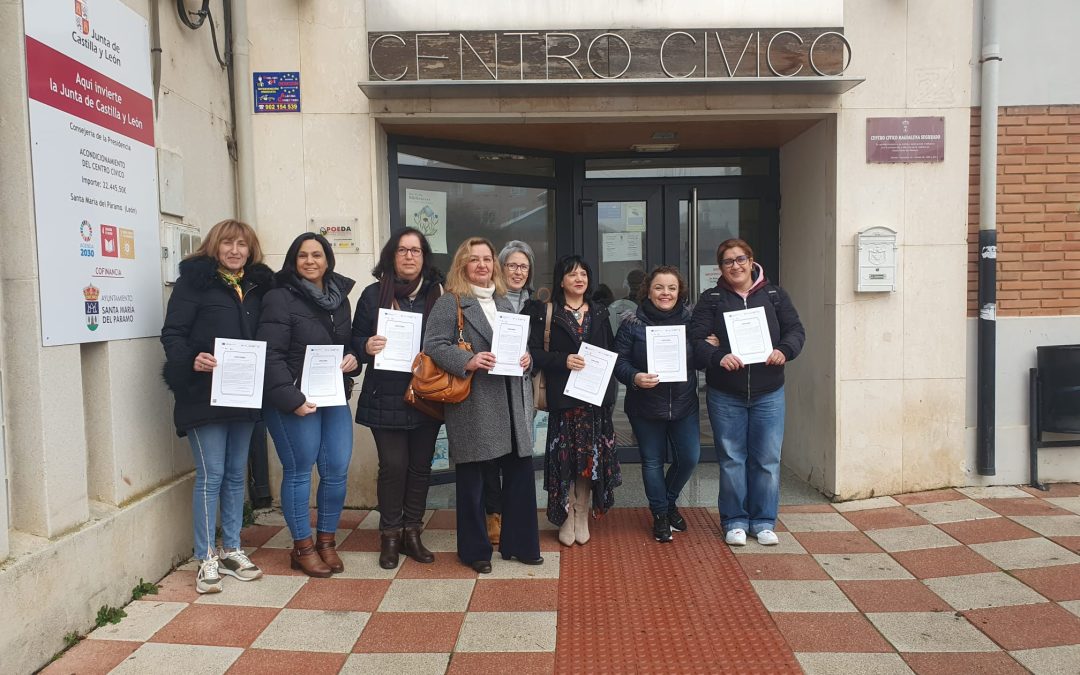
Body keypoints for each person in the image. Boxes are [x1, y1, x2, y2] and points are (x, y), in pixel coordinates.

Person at [161, 219, 273, 594]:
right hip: (202, 395)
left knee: (235, 475)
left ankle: (232, 548)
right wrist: (191, 359)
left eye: (242, 244)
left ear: (250, 250)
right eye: (227, 243)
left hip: (242, 396)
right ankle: (206, 555)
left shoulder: (258, 286)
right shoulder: (193, 283)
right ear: (214, 246)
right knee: (212, 475)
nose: (235, 250)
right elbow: (173, 333)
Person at [423, 237, 541, 573]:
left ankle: (520, 544)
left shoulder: (504, 302)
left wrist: (527, 359)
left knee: (519, 474)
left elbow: (520, 349)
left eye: (487, 259)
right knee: (473, 479)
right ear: (462, 264)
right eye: (474, 259)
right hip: (475, 403)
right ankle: (474, 551)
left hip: (512, 399)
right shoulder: (451, 302)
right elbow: (432, 346)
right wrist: (469, 360)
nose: (482, 265)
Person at [258, 233, 361, 576]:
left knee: (336, 469)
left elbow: (347, 345)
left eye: (317, 254)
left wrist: (353, 359)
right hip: (295, 400)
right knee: (300, 470)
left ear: (328, 260)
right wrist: (292, 400)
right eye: (302, 255)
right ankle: (302, 546)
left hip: (333, 396)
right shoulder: (279, 297)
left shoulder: (340, 298)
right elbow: (269, 355)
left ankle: (326, 542)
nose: (310, 261)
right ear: (293, 260)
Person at [690, 238, 804, 547]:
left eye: (740, 259)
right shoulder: (711, 299)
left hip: (769, 391)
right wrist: (717, 357)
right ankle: (735, 521)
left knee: (767, 459)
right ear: (721, 268)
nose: (735, 266)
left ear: (751, 260)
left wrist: (785, 350)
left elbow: (796, 331)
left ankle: (764, 521)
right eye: (728, 262)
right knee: (731, 459)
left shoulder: (774, 295)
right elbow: (696, 340)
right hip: (726, 392)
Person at [352, 228, 444, 569]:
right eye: (403, 250)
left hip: (427, 394)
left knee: (420, 468)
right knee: (393, 467)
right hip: (384, 395)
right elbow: (354, 339)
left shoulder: (440, 295)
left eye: (416, 251)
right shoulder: (373, 294)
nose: (409, 256)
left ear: (424, 257)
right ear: (392, 256)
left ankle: (411, 532)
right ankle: (389, 536)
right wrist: (365, 345)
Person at [529, 255, 621, 547]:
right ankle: (566, 515)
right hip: (564, 400)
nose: (579, 279)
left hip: (593, 402)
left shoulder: (600, 312)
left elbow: (611, 351)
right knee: (565, 461)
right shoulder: (547, 312)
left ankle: (582, 513)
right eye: (572, 274)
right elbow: (533, 353)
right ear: (561, 280)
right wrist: (562, 360)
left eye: (583, 274)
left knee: (589, 461)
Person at [613, 266, 700, 543]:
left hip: (684, 403)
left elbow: (701, 358)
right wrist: (635, 377)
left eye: (671, 288)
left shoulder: (693, 322)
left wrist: (710, 345)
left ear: (679, 291)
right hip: (645, 404)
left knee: (689, 458)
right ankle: (661, 514)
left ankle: (669, 501)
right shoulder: (632, 323)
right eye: (659, 287)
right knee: (652, 461)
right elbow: (619, 361)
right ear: (648, 291)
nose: (665, 293)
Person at [480, 240, 537, 547]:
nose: (518, 272)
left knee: (517, 454)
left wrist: (532, 357)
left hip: (520, 389)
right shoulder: (487, 299)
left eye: (523, 266)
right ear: (500, 268)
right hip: (490, 387)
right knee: (491, 454)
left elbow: (542, 347)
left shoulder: (536, 304)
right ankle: (493, 513)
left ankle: (514, 515)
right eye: (512, 265)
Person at [607, 268, 644, 334]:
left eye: (638, 283)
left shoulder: (649, 304)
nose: (635, 286)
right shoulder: (622, 303)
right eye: (633, 283)